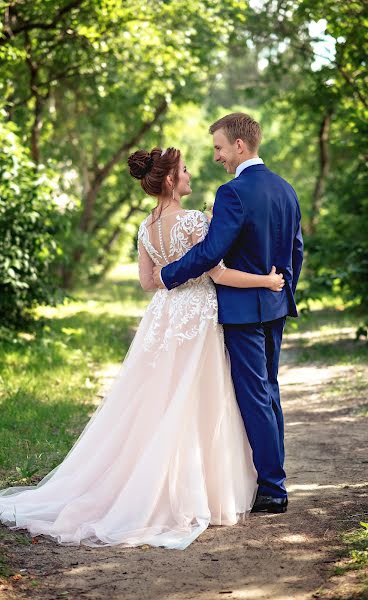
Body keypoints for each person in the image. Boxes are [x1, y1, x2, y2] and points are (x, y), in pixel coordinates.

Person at [0, 145, 285, 550]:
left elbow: (146, 281)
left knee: (157, 400)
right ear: (171, 180)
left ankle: (152, 483)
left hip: (164, 315)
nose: (191, 174)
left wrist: (169, 270)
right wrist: (266, 281)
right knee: (197, 398)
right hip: (196, 316)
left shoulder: (144, 226)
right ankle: (195, 492)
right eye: (185, 170)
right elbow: (219, 272)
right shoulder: (193, 220)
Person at [153, 113, 304, 514]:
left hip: (242, 312)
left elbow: (210, 252)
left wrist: (168, 274)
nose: (217, 156)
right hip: (274, 305)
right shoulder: (286, 189)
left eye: (219, 147)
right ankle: (273, 480)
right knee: (269, 390)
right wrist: (282, 289)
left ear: (239, 145)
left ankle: (273, 489)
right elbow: (297, 251)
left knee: (255, 395)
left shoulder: (233, 192)